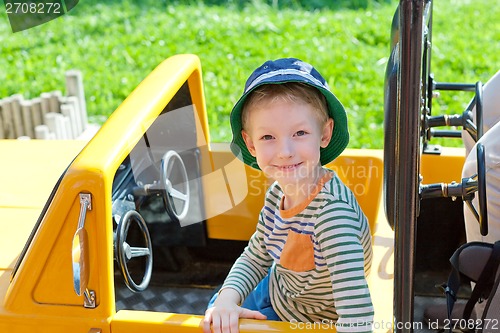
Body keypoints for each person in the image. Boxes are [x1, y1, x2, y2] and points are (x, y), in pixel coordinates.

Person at [202, 58, 374, 333]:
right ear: (250, 143)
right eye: (268, 137)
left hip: (307, 321)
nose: (285, 151)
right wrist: (228, 297)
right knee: (216, 314)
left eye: (300, 133)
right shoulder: (277, 193)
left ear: (325, 133)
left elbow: (356, 315)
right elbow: (257, 255)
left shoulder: (333, 218)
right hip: (277, 290)